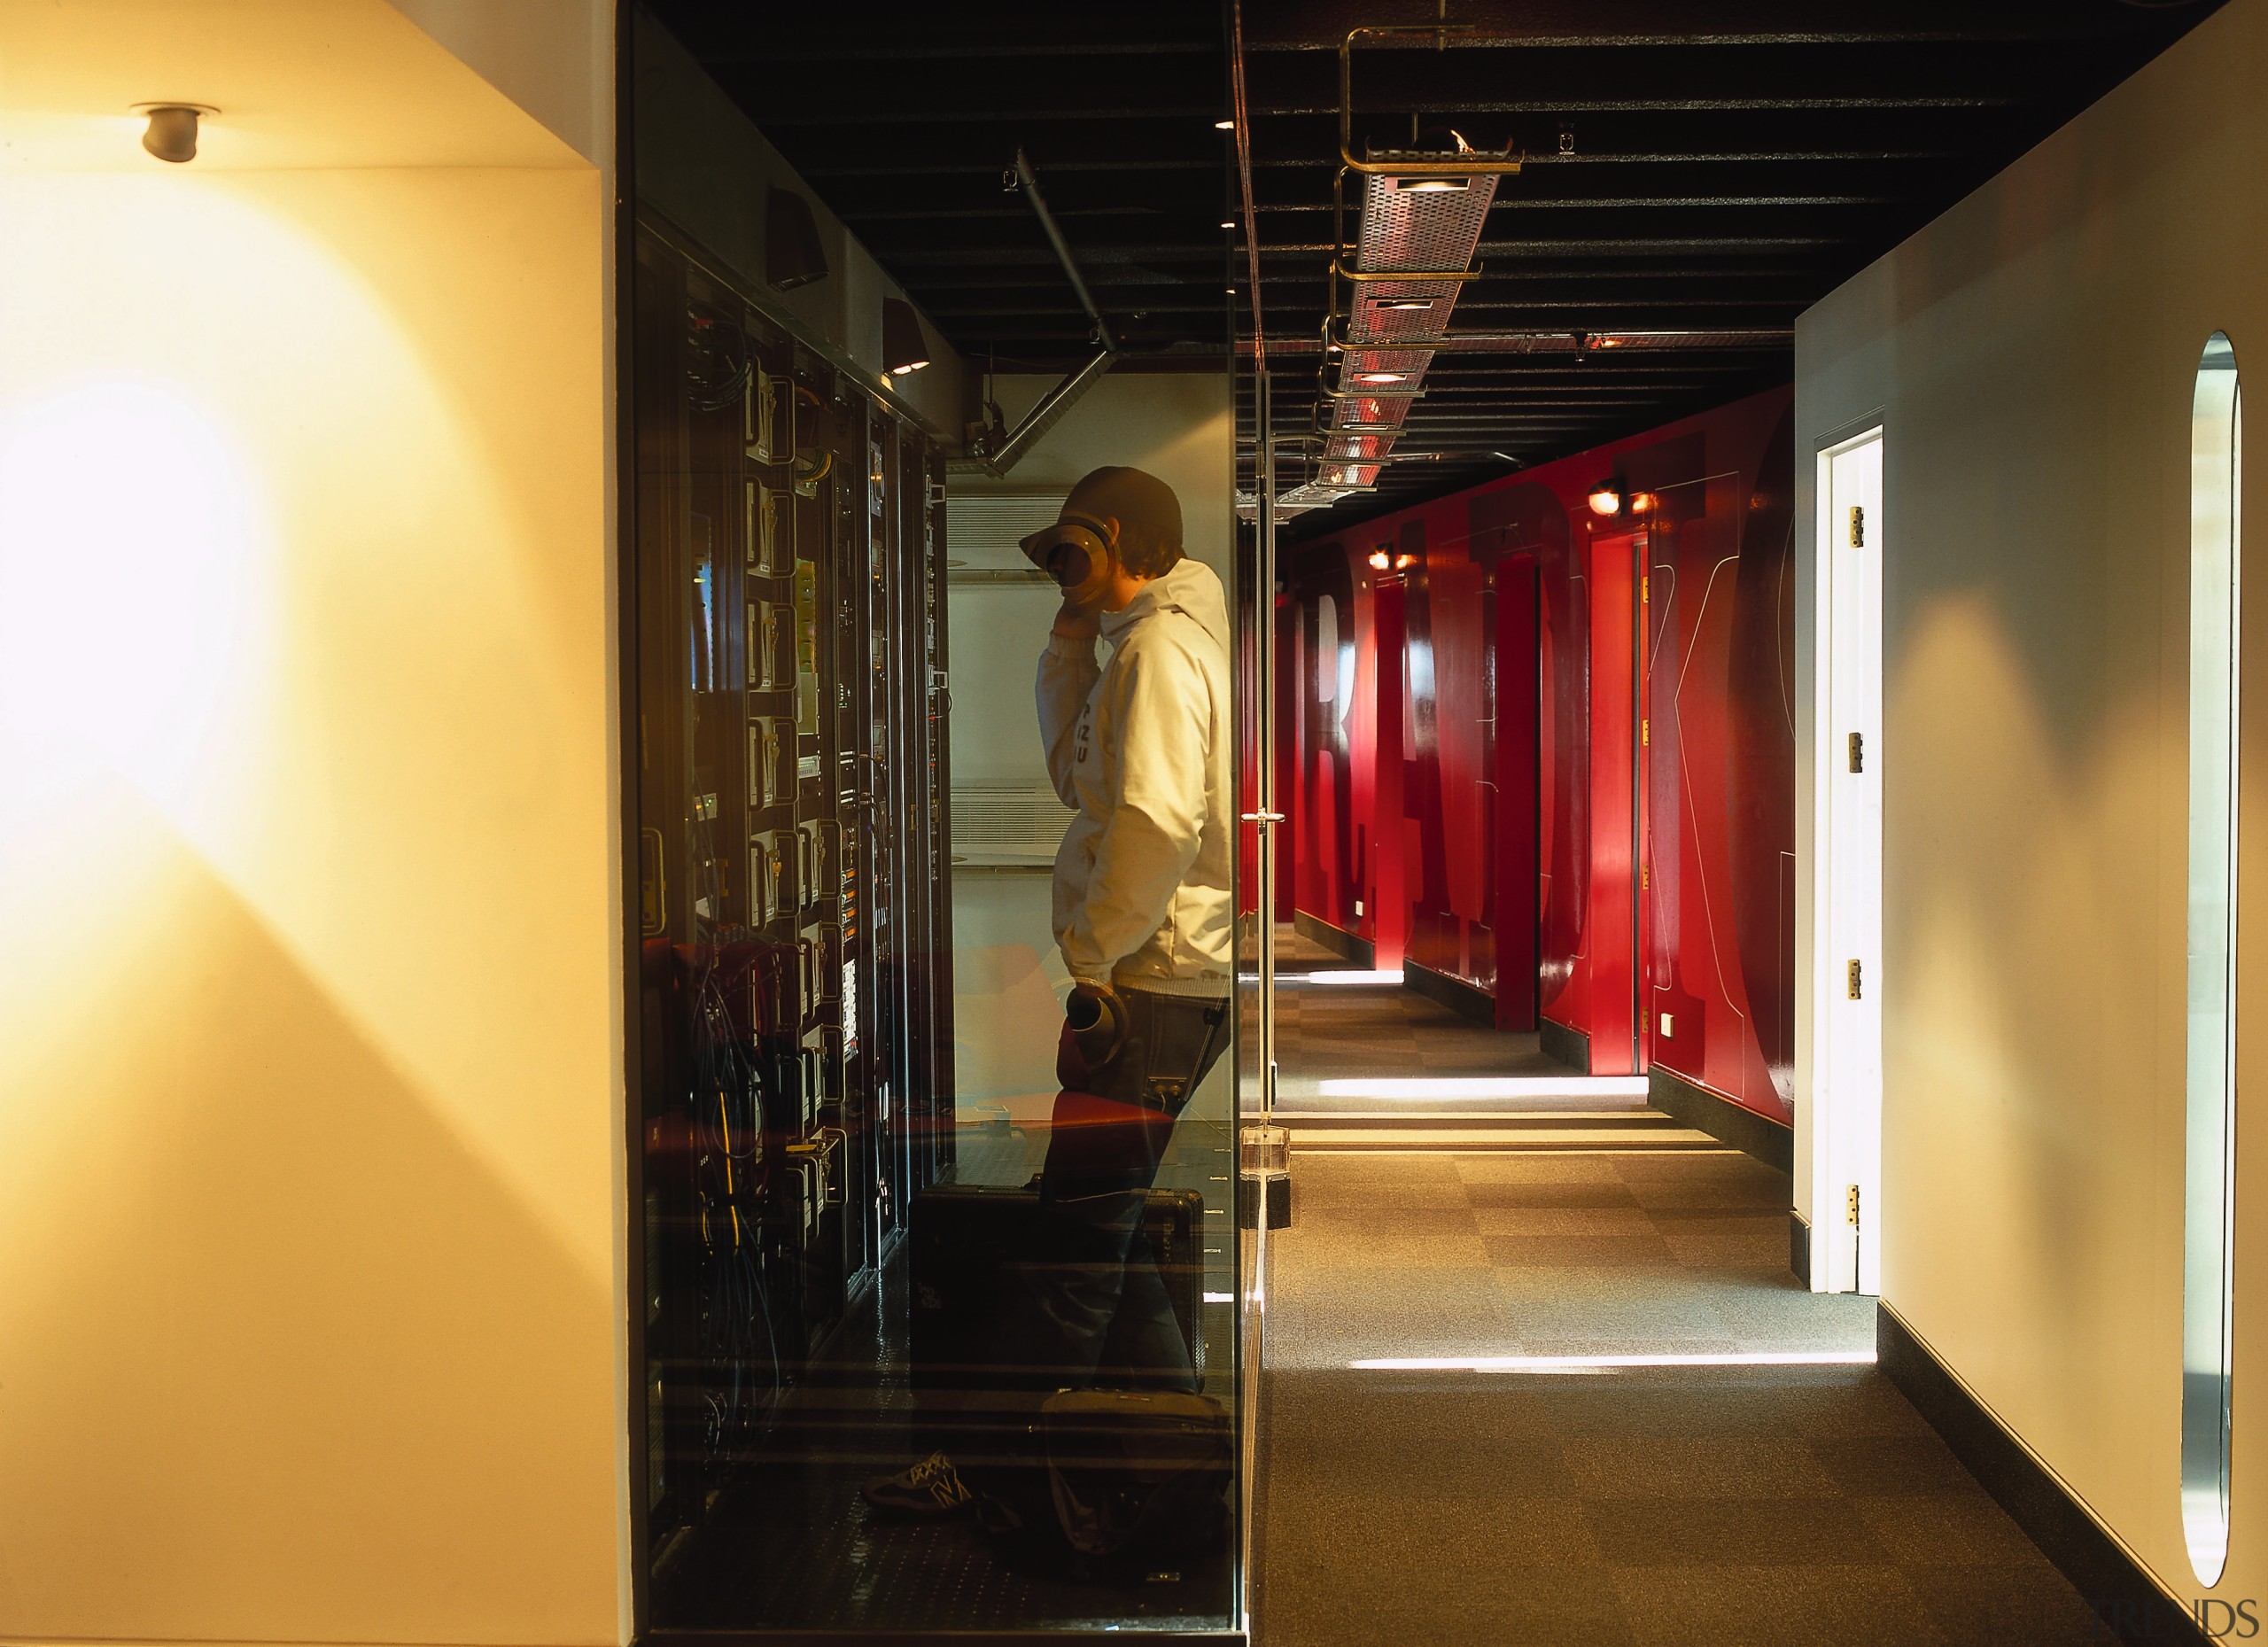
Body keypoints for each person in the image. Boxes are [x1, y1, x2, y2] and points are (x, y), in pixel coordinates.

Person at [865, 464, 1232, 1518]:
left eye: (1072, 552)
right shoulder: (1152, 643)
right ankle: (1179, 1449)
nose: (1060, 572)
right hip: (1164, 979)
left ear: (1117, 537)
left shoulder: (1161, 652)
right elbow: (1079, 781)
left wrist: (1093, 963)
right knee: (1097, 1231)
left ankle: (989, 1470)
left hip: (1146, 981)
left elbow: (1155, 823)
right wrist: (1070, 639)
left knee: (1070, 1247)